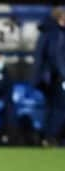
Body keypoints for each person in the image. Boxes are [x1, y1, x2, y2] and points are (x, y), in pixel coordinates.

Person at [33, 7, 65, 146]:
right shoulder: (56, 33)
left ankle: (47, 137)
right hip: (56, 78)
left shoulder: (47, 31)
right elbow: (55, 56)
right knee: (60, 108)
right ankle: (51, 137)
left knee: (51, 108)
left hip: (47, 78)